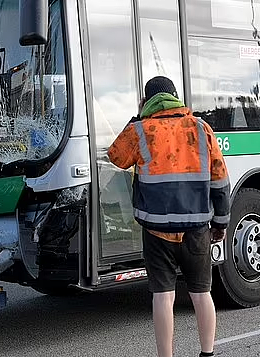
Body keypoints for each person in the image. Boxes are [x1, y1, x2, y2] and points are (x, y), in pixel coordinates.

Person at [107, 76, 231, 357]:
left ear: (148, 101)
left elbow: (116, 156)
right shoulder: (201, 128)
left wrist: (137, 118)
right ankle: (207, 352)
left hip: (156, 230)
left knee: (163, 295)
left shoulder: (141, 130)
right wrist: (221, 222)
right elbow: (220, 180)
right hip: (197, 228)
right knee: (201, 293)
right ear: (176, 97)